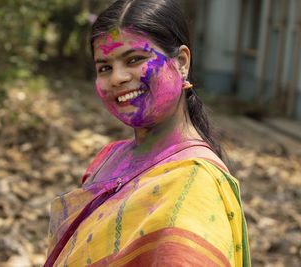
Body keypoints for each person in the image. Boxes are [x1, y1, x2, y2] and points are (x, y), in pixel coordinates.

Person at [45, 0, 251, 266]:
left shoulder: (196, 182)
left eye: (134, 59)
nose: (117, 77)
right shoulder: (108, 158)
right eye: (104, 67)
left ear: (181, 62)